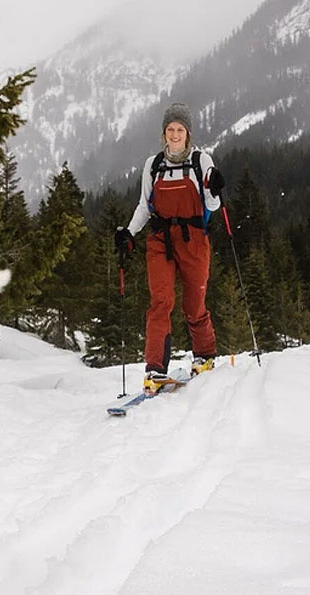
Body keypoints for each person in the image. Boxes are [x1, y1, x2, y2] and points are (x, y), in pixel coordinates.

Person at [114, 102, 225, 394]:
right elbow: (144, 205)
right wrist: (128, 232)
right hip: (160, 239)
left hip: (194, 239)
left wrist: (215, 188)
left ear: (188, 133)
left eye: (180, 129)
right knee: (160, 302)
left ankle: (204, 355)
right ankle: (155, 369)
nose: (174, 134)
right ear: (164, 133)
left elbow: (212, 205)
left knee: (194, 303)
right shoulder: (154, 165)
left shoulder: (202, 161)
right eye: (170, 129)